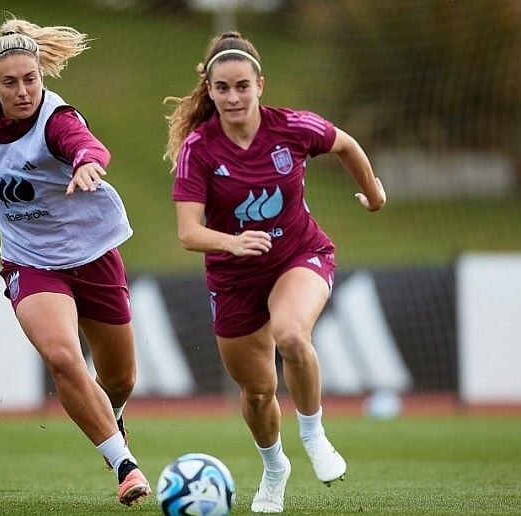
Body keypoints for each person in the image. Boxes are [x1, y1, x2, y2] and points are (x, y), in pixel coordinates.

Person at [0, 16, 150, 507]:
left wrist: (87, 161)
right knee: (63, 356)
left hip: (94, 256)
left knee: (121, 379)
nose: (23, 91)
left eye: (31, 79)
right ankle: (124, 464)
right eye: (10, 82)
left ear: (42, 75)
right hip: (30, 263)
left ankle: (114, 414)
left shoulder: (57, 120)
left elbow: (85, 142)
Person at [166, 32, 386, 513]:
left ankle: (314, 435)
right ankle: (274, 468)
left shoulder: (293, 128)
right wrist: (232, 242)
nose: (233, 97)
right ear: (210, 90)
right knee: (259, 392)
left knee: (290, 335)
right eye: (222, 88)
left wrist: (373, 193)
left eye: (242, 86)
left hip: (299, 255)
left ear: (260, 84)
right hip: (232, 279)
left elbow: (346, 144)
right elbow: (187, 232)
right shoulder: (198, 150)